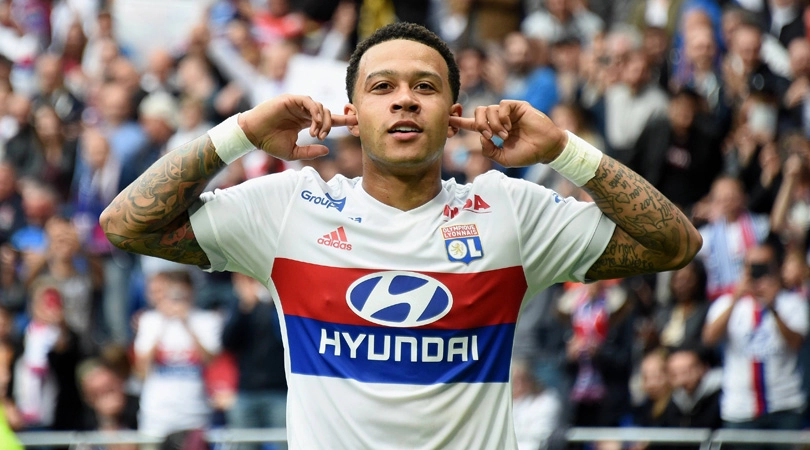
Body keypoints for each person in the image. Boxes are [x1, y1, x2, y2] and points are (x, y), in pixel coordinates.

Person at [100, 22, 702, 450]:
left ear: (454, 113)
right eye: (382, 87)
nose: (405, 101)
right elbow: (125, 224)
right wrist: (240, 133)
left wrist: (563, 150)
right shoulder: (289, 208)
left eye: (426, 87)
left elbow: (675, 244)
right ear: (352, 113)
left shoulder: (510, 211)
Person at [703, 243, 807, 435]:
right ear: (744, 269)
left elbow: (796, 343)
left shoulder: (792, 303)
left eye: (763, 266)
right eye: (753, 267)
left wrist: (773, 307)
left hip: (784, 406)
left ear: (775, 269)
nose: (758, 273)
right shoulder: (726, 303)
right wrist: (736, 297)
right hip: (740, 409)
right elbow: (709, 339)